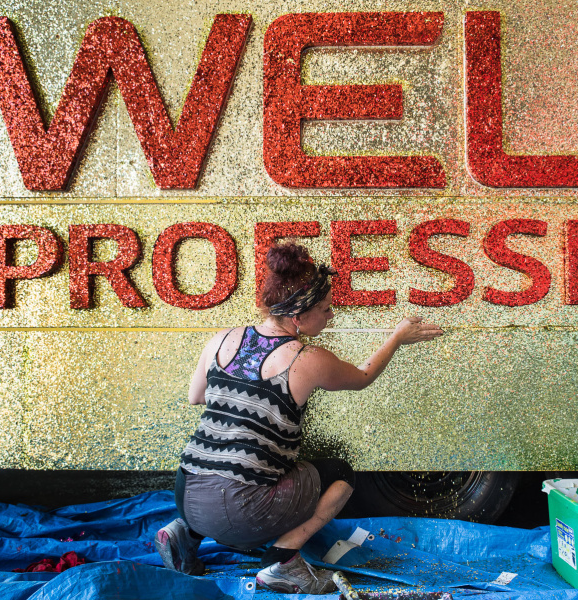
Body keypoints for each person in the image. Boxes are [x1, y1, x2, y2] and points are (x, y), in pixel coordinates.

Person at [154, 241, 443, 594]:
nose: (331, 316)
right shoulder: (305, 358)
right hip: (241, 510)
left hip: (185, 493)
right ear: (298, 317)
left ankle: (183, 533)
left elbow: (196, 396)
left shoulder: (222, 338)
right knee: (341, 474)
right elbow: (363, 377)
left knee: (232, 475)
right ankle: (283, 561)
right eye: (325, 308)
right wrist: (396, 338)